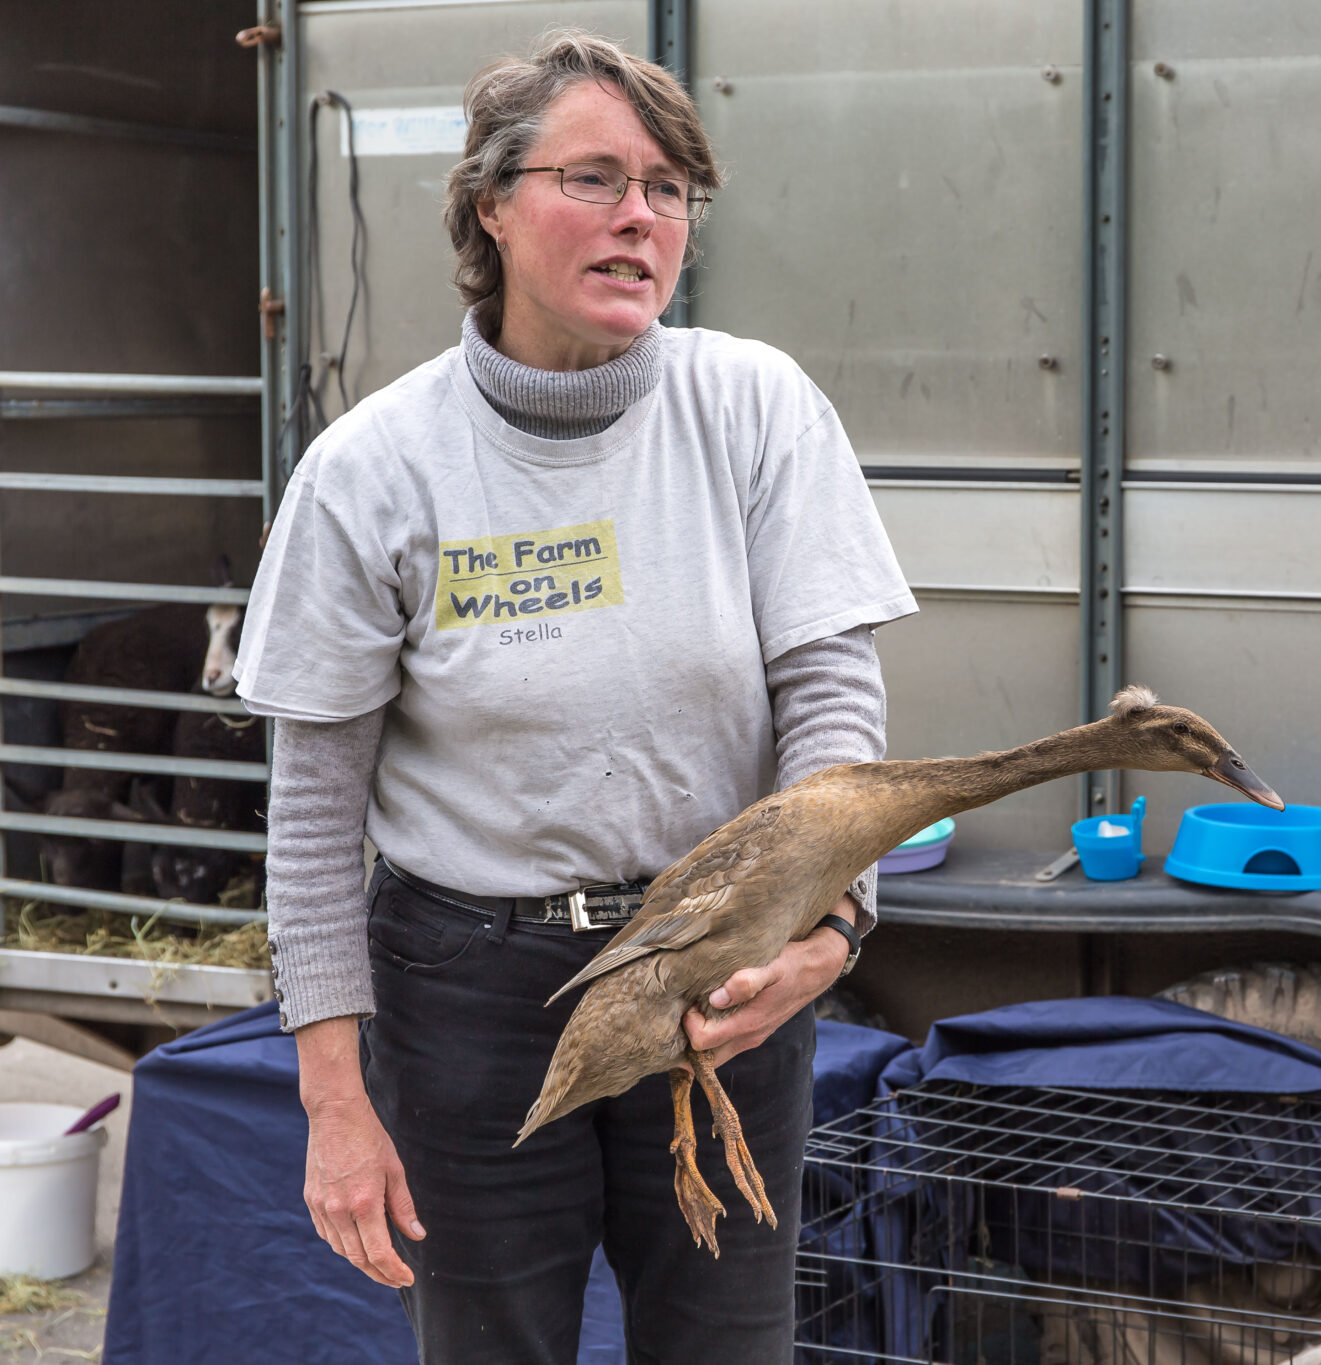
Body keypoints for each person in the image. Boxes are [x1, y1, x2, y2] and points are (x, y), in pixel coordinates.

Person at [232, 30, 915, 1364]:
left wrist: (828, 925)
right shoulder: (376, 467)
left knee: (726, 1345)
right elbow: (313, 814)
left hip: (715, 967)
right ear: (490, 203)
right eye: (593, 178)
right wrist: (332, 1101)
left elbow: (832, 702)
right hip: (468, 997)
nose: (639, 217)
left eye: (668, 189)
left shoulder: (755, 408)